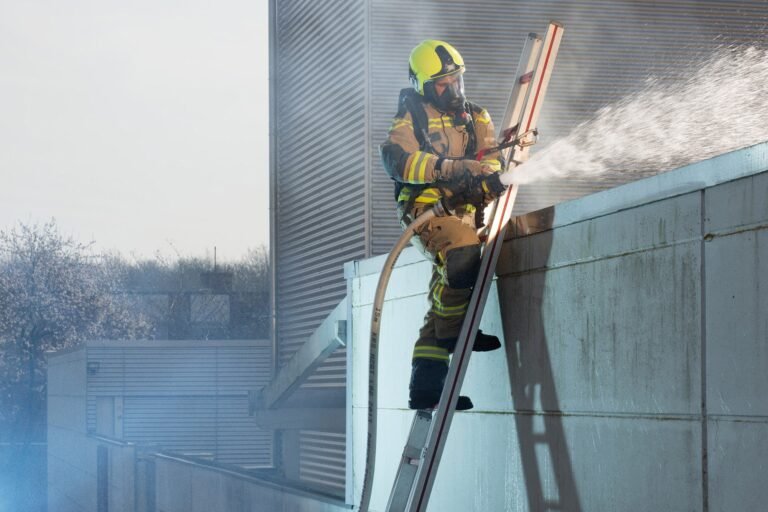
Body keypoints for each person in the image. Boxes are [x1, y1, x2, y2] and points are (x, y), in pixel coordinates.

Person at [380, 40, 507, 411]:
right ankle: (455, 334)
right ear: (421, 85)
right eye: (441, 83)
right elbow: (399, 162)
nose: (452, 88)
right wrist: (451, 169)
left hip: (464, 210)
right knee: (463, 251)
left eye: (456, 79)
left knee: (442, 296)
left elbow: (493, 160)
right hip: (426, 211)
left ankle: (425, 389)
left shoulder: (477, 116)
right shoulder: (410, 117)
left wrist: (486, 179)